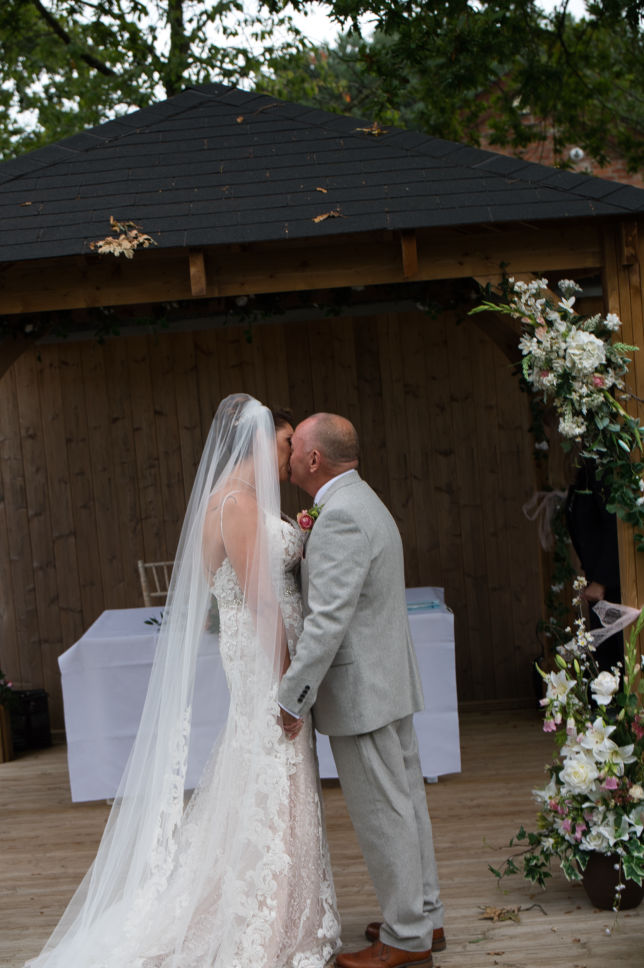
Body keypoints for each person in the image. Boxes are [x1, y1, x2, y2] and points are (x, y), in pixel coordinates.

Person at [26, 394, 340, 968]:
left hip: (260, 659)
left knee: (262, 771)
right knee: (276, 767)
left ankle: (273, 898)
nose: (290, 453)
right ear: (256, 442)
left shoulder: (236, 501)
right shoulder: (239, 504)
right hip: (267, 665)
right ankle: (266, 918)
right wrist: (288, 687)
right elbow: (263, 603)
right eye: (284, 442)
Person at [279, 414, 444, 968]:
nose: (288, 452)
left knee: (384, 814)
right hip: (386, 681)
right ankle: (424, 917)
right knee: (407, 804)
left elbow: (327, 621)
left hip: (363, 691)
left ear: (313, 460)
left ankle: (404, 939)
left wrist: (291, 694)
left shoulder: (341, 516)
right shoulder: (361, 500)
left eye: (293, 444)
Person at [565, 458, 623, 672]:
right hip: (596, 583)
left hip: (613, 585)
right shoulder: (582, 479)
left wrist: (601, 581)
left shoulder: (599, 474)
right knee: (605, 660)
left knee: (617, 661)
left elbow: (615, 526)